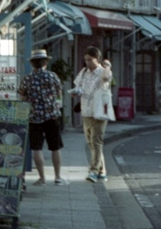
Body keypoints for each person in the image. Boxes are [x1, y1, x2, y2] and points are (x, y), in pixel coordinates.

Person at [18, 49, 67, 185]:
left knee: (37, 148)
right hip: (51, 116)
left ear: (32, 64)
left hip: (34, 117)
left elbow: (22, 97)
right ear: (45, 62)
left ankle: (42, 178)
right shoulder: (53, 76)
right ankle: (57, 177)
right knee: (55, 147)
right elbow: (59, 94)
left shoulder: (27, 79)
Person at [71, 46, 113, 182]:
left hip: (99, 111)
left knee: (96, 141)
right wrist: (75, 92)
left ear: (97, 59)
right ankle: (102, 171)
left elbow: (105, 81)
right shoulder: (84, 72)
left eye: (90, 60)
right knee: (91, 142)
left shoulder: (104, 72)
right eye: (86, 60)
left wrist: (107, 66)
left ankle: (93, 171)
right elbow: (78, 86)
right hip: (86, 111)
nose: (88, 62)